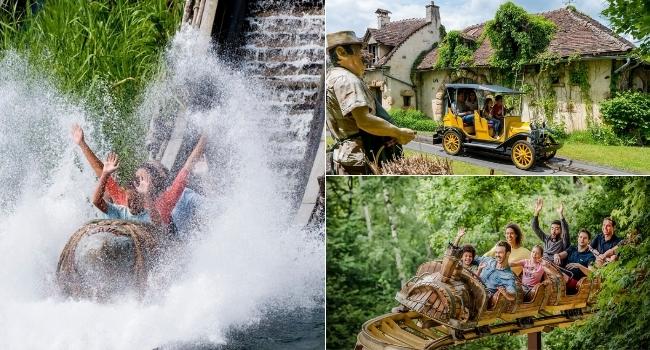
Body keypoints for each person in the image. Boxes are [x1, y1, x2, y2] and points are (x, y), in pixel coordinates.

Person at [71, 124, 206, 234]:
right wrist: (82, 144)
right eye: (136, 178)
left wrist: (205, 136)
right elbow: (101, 172)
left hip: (165, 238)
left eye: (143, 179)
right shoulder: (124, 200)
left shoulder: (165, 201)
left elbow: (187, 167)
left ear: (154, 185)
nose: (138, 183)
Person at [326, 30, 415, 175]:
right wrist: (398, 133)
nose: (365, 55)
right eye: (359, 50)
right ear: (341, 52)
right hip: (360, 157)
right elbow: (364, 121)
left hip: (347, 156)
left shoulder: (332, 76)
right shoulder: (347, 79)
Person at [92, 153, 162, 225]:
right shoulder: (119, 211)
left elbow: (158, 224)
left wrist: (147, 195)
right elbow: (96, 202)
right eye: (129, 200)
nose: (131, 204)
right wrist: (105, 174)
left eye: (135, 201)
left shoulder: (148, 215)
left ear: (143, 199)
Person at [556, 228, 596, 294]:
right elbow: (561, 255)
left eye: (585, 238)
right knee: (547, 267)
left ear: (589, 241)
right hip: (563, 276)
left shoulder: (590, 256)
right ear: (578, 238)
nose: (582, 239)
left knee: (561, 276)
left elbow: (591, 273)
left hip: (576, 284)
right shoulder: (572, 249)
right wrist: (556, 255)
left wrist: (579, 266)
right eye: (580, 237)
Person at [531, 198, 570, 264]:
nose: (553, 231)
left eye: (557, 229)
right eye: (552, 228)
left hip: (553, 267)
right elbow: (535, 228)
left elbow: (565, 231)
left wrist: (561, 215)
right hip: (542, 263)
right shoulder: (547, 238)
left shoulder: (563, 242)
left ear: (561, 231)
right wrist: (536, 212)